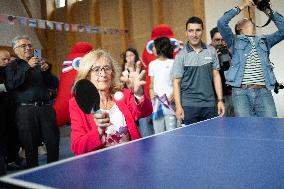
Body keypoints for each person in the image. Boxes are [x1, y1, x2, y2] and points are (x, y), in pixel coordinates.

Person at [69, 49, 153, 155]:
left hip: (132, 159)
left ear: (112, 73)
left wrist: (139, 93)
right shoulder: (76, 104)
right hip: (100, 165)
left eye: (107, 68)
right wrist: (99, 131)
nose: (103, 74)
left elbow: (146, 111)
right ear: (87, 75)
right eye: (96, 69)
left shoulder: (124, 95)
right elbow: (77, 148)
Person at [217, 0, 284, 117]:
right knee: (246, 129)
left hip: (264, 91)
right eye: (245, 20)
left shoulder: (265, 40)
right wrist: (243, 6)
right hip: (241, 92)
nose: (249, 19)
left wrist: (267, 10)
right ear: (239, 28)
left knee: (271, 126)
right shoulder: (234, 40)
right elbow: (222, 22)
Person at [5, 36, 59, 168]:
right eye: (24, 46)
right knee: (30, 148)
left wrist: (46, 72)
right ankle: (33, 178)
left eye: (30, 45)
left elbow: (54, 84)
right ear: (15, 49)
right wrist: (27, 67)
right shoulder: (12, 66)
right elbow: (11, 85)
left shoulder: (39, 63)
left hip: (46, 109)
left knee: (53, 143)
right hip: (25, 111)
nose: (28, 48)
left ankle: (56, 173)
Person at [172, 16, 225, 125]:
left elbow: (216, 76)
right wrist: (178, 106)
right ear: (186, 33)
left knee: (211, 139)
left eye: (198, 30)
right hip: (189, 106)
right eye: (190, 31)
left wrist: (220, 100)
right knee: (191, 140)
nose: (194, 34)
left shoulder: (211, 51)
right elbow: (176, 82)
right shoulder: (181, 56)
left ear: (202, 31)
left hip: (209, 105)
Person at [121, 48, 154, 137]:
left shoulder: (141, 69)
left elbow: (144, 86)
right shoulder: (123, 71)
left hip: (140, 102)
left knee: (145, 128)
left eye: (131, 55)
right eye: (127, 56)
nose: (129, 58)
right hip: (128, 103)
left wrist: (139, 94)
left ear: (136, 56)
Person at [148, 36, 177, 133]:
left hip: (170, 102)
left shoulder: (173, 63)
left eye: (154, 46)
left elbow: (175, 83)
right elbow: (151, 84)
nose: (153, 48)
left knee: (172, 132)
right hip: (157, 103)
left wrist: (172, 97)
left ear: (160, 47)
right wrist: (151, 92)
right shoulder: (152, 64)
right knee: (158, 132)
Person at [210, 27, 234, 117]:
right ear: (212, 41)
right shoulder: (207, 55)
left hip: (233, 95)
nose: (221, 43)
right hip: (217, 99)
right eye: (217, 40)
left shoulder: (232, 52)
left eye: (223, 40)